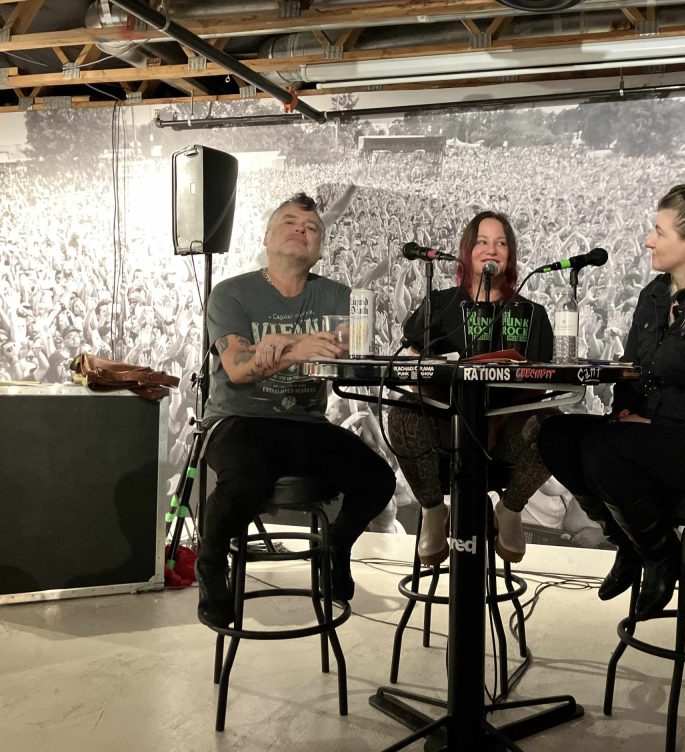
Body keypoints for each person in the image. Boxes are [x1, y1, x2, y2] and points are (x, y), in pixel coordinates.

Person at [538, 165, 685, 621]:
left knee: (607, 450)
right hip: (665, 431)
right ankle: (626, 539)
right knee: (558, 437)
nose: (648, 240)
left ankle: (661, 555)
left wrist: (646, 419)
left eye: (658, 230)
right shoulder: (653, 296)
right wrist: (627, 411)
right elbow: (633, 370)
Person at [196, 192, 395, 627]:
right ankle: (210, 563)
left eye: (311, 228)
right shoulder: (232, 295)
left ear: (320, 248)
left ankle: (336, 547)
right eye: (289, 222)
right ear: (267, 237)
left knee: (377, 479)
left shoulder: (339, 297)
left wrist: (281, 346)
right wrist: (298, 348)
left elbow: (348, 356)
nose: (301, 230)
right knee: (246, 481)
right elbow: (238, 368)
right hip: (238, 420)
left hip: (304, 423)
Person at [387, 211, 554, 565]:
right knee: (402, 415)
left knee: (556, 427)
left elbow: (545, 377)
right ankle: (433, 509)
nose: (491, 249)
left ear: (510, 255)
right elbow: (410, 353)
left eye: (501, 243)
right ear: (467, 250)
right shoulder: (442, 303)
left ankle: (509, 510)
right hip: (446, 430)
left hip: (506, 435)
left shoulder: (531, 313)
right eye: (482, 241)